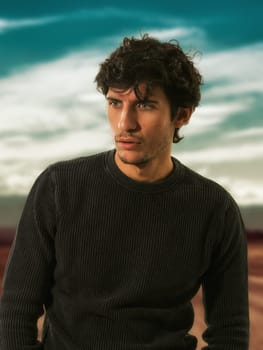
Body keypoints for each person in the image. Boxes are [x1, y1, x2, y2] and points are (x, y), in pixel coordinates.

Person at [0, 34, 249, 350]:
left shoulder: (214, 209)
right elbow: (16, 311)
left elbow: (230, 331)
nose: (124, 123)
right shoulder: (59, 186)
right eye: (115, 103)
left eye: (144, 105)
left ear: (182, 115)